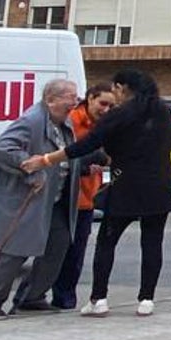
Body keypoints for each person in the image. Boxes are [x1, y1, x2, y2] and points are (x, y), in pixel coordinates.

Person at [24, 68, 171, 317]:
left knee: (107, 242)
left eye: (116, 90)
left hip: (126, 186)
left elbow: (85, 145)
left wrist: (46, 159)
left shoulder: (119, 115)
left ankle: (99, 298)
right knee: (153, 242)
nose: (114, 96)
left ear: (123, 88)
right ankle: (146, 299)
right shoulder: (163, 111)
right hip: (160, 186)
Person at [0, 79, 81, 318]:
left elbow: (66, 156)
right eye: (69, 97)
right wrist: (30, 170)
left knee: (57, 247)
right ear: (51, 99)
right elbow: (1, 150)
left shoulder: (64, 123)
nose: (75, 101)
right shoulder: (32, 121)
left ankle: (33, 297)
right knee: (15, 250)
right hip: (25, 198)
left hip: (55, 199)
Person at [49, 83, 115, 310]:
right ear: (90, 98)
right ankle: (40, 296)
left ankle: (65, 299)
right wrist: (91, 163)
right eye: (103, 103)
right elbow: (69, 155)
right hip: (66, 197)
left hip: (86, 197)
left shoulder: (103, 125)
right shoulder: (73, 122)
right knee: (58, 252)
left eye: (111, 105)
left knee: (75, 254)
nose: (106, 109)